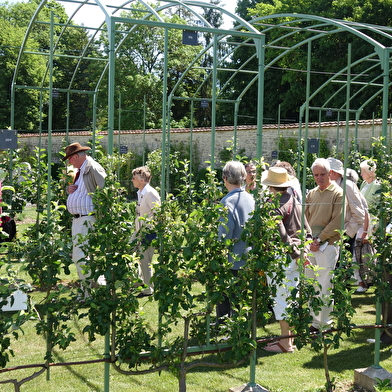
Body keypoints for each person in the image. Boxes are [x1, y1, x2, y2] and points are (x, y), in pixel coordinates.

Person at [261, 167, 312, 353]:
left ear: (272, 187)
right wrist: (303, 250)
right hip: (296, 254)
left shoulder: (274, 204)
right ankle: (288, 339)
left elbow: (281, 233)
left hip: (283, 256)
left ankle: (285, 343)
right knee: (291, 296)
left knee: (281, 298)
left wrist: (295, 253)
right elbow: (308, 230)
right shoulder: (295, 201)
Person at [305, 158, 345, 332]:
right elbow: (304, 218)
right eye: (316, 175)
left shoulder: (338, 193)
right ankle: (315, 323)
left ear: (330, 174)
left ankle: (325, 324)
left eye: (323, 174)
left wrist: (319, 239)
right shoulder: (311, 194)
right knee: (311, 284)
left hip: (327, 245)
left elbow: (338, 221)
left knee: (324, 285)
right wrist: (308, 239)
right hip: (311, 245)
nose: (319, 178)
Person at [64, 142, 107, 288]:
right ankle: (89, 289)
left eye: (69, 158)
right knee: (82, 257)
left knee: (79, 256)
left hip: (87, 217)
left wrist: (102, 216)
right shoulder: (81, 170)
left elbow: (105, 190)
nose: (69, 162)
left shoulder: (92, 167)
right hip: (79, 219)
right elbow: (82, 191)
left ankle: (95, 287)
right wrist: (70, 190)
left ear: (76, 156)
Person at [217, 161, 255, 322]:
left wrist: (217, 251)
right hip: (250, 255)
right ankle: (240, 326)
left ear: (224, 178)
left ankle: (225, 324)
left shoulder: (227, 202)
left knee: (226, 293)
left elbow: (225, 233)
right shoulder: (251, 199)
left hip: (231, 258)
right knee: (241, 299)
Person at [131, 166, 161, 298]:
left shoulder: (150, 193)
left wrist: (153, 232)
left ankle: (148, 289)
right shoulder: (141, 192)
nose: (132, 180)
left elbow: (158, 214)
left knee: (145, 261)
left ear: (142, 179)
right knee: (132, 255)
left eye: (134, 178)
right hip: (139, 231)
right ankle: (139, 283)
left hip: (148, 233)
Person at [327, 157, 365, 255]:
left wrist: (346, 235)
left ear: (332, 172)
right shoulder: (330, 186)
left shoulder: (347, 186)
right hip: (329, 235)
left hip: (343, 237)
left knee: (342, 267)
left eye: (324, 172)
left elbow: (359, 214)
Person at [354, 160, 381, 292]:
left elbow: (368, 206)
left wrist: (367, 229)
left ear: (370, 173)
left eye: (363, 171)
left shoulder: (376, 186)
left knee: (367, 252)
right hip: (361, 220)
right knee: (359, 252)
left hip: (370, 223)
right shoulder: (365, 183)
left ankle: (368, 280)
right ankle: (363, 280)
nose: (361, 174)